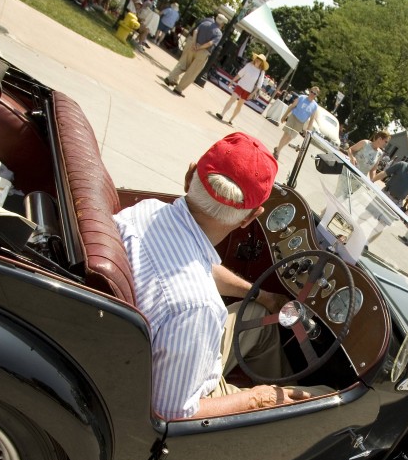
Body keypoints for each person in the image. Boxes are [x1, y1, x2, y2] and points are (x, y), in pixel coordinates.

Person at [113, 132, 312, 419]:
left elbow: (195, 265)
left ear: (190, 175)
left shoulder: (145, 212)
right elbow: (172, 413)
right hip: (176, 395)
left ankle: (280, 393)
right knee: (324, 394)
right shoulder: (198, 306)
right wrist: (258, 398)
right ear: (250, 217)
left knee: (258, 316)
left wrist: (263, 295)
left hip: (145, 344)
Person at [164, 13, 227, 97]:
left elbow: (195, 31)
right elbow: (210, 43)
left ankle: (170, 77)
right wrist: (200, 47)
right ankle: (179, 88)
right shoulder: (219, 33)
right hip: (203, 52)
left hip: (193, 46)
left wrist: (194, 43)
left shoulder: (205, 23)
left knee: (183, 64)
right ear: (222, 24)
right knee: (192, 72)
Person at [215, 53, 268, 125]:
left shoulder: (261, 72)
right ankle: (222, 114)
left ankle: (231, 119)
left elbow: (259, 85)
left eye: (260, 60)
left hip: (248, 90)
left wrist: (252, 94)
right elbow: (240, 74)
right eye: (258, 58)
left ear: (262, 63)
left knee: (239, 105)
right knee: (232, 99)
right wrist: (232, 81)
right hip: (240, 85)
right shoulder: (249, 65)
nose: (258, 60)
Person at [273, 87, 320, 159]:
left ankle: (278, 148)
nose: (312, 94)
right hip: (293, 118)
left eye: (314, 93)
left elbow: (312, 119)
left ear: (316, 95)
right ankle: (278, 152)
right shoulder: (301, 97)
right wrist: (284, 116)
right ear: (309, 91)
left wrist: (308, 130)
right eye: (312, 92)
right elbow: (292, 106)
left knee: (290, 138)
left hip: (300, 123)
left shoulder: (315, 106)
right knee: (286, 134)